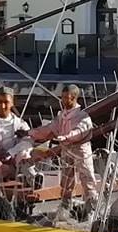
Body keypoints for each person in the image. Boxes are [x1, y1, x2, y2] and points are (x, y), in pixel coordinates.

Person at [40, 83, 96, 215]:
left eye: (67, 97)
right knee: (66, 179)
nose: (64, 100)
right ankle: (65, 204)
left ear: (74, 98)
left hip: (81, 150)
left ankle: (91, 207)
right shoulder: (61, 116)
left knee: (87, 178)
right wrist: (31, 133)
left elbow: (80, 130)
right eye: (63, 97)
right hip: (66, 149)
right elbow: (49, 129)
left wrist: (67, 136)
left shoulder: (83, 116)